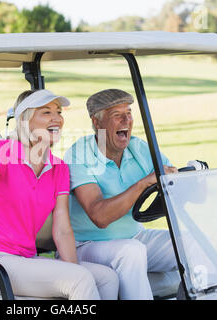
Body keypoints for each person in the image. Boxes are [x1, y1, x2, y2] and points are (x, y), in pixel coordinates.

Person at [0, 89, 119, 300]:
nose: (57, 118)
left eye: (58, 111)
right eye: (46, 112)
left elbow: (62, 230)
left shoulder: (59, 168)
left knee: (107, 278)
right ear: (26, 120)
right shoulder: (2, 150)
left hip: (25, 260)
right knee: (80, 280)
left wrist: (72, 268)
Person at [64, 88, 178, 300]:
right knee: (131, 251)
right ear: (96, 122)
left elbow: (172, 181)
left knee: (187, 241)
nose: (127, 120)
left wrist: (189, 179)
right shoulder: (79, 154)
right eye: (117, 115)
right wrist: (143, 183)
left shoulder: (138, 148)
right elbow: (100, 216)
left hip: (134, 236)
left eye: (129, 113)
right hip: (87, 245)